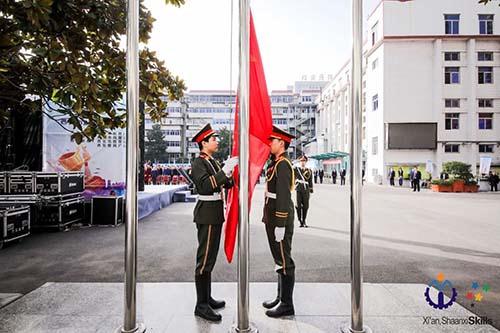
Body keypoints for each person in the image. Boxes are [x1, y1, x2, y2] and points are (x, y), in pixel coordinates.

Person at [190, 124, 238, 322]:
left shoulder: (212, 161)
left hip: (215, 213)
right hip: (207, 214)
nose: (217, 141)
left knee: (210, 258)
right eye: (213, 139)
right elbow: (205, 185)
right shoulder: (198, 163)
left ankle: (206, 298)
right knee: (204, 259)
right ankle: (201, 305)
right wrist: (224, 170)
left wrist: (228, 172)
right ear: (204, 143)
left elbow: (227, 184)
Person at [262, 126, 296, 318]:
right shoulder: (275, 163)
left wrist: (281, 224)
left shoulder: (283, 164)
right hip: (272, 214)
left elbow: (283, 195)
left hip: (279, 216)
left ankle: (287, 304)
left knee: (284, 259)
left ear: (281, 143)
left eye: (271, 141)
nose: (269, 144)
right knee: (278, 258)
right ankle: (280, 296)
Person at [294, 155, 313, 228]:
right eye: (301, 161)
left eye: (304, 161)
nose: (302, 162)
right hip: (298, 189)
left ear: (306, 162)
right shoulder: (296, 169)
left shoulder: (309, 171)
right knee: (298, 206)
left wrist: (311, 190)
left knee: (306, 206)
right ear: (299, 162)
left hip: (306, 190)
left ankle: (304, 220)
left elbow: (310, 181)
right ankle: (300, 220)